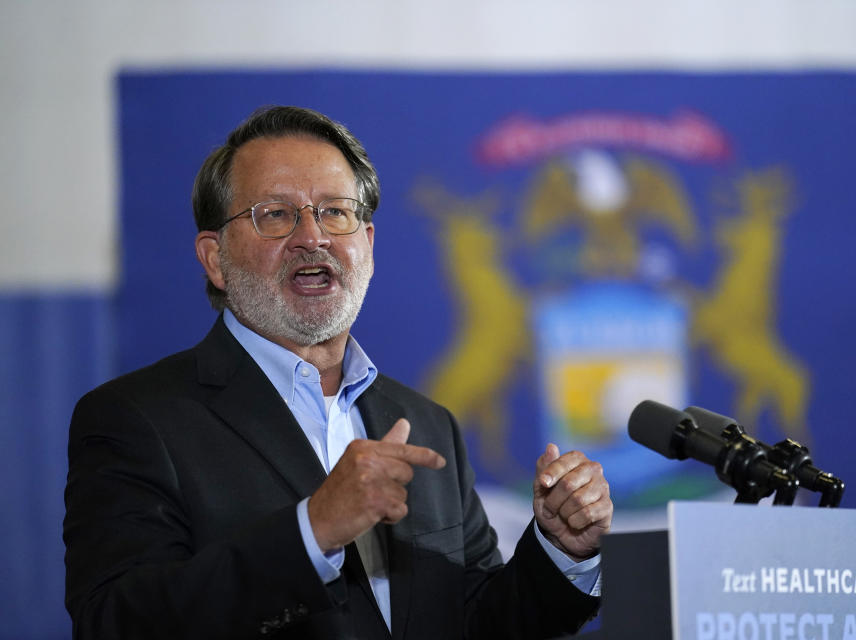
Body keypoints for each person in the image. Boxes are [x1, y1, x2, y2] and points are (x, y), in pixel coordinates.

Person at [63, 106, 613, 639]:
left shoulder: (425, 423)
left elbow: (479, 621)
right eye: (275, 214)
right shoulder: (137, 419)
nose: (313, 237)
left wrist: (560, 549)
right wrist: (313, 531)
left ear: (366, 246)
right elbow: (118, 622)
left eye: (335, 211)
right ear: (215, 259)